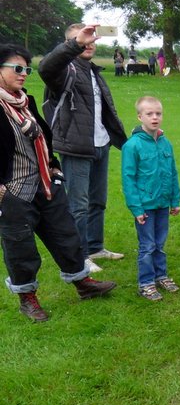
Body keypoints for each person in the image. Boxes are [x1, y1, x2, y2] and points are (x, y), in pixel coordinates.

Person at [0, 44, 116, 322]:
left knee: (66, 235)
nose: (24, 73)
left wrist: (53, 167)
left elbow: (43, 138)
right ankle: (28, 298)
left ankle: (82, 283)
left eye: (26, 69)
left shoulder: (23, 102)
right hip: (13, 190)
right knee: (21, 248)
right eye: (17, 68)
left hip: (45, 184)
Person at [38, 24, 127, 275]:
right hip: (76, 147)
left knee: (98, 202)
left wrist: (123, 140)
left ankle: (96, 247)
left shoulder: (94, 72)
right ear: (70, 44)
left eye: (91, 40)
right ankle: (80, 255)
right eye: (81, 40)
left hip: (100, 144)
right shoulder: (62, 73)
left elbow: (107, 112)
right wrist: (74, 44)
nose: (88, 44)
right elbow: (46, 66)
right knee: (78, 204)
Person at [121, 96, 180, 302]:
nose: (155, 117)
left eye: (158, 113)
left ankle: (161, 275)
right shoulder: (132, 146)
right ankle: (146, 282)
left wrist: (175, 200)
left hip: (163, 203)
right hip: (145, 206)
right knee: (147, 245)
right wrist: (136, 208)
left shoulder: (166, 143)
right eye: (149, 114)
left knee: (160, 243)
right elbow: (128, 179)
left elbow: (172, 173)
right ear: (140, 116)